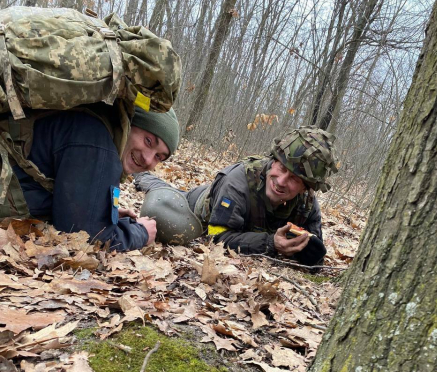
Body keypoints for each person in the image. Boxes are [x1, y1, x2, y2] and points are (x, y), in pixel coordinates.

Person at [135, 126, 338, 266]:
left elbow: (314, 251)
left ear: (306, 188)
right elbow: (216, 237)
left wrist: (309, 254)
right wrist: (271, 244)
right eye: (281, 167)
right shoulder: (238, 181)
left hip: (242, 222)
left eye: (294, 179)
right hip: (195, 205)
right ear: (273, 159)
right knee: (161, 191)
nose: (281, 181)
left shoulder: (307, 204)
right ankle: (141, 174)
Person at [0, 105, 179, 252]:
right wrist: (140, 233)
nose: (148, 159)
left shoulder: (93, 128)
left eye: (159, 157)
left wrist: (104, 212)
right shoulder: (97, 143)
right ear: (130, 124)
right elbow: (86, 240)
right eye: (148, 141)